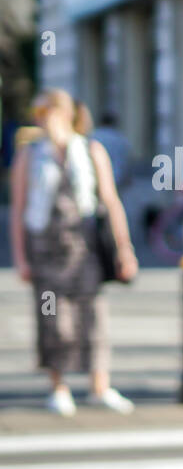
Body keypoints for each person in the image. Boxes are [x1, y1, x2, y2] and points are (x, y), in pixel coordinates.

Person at [8, 88, 138, 415]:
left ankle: (99, 384)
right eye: (35, 114)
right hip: (45, 246)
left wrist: (125, 248)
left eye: (44, 112)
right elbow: (18, 208)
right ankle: (59, 386)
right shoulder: (29, 155)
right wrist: (20, 257)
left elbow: (110, 200)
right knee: (54, 320)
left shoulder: (91, 150)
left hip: (85, 245)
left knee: (93, 316)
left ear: (64, 113)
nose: (38, 120)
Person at [90, 111, 133, 192]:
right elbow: (126, 159)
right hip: (117, 178)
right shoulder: (120, 138)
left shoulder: (95, 136)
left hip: (97, 178)